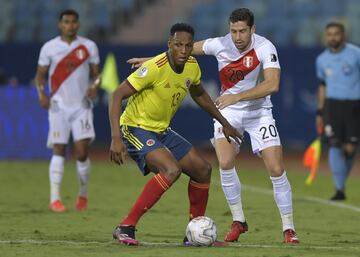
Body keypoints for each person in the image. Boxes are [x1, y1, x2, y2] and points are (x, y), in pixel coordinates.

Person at [128, 8, 299, 244]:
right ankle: (238, 221)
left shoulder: (265, 47)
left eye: (242, 31)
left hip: (259, 112)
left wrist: (237, 97)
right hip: (228, 111)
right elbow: (181, 49)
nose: (237, 37)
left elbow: (272, 84)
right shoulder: (219, 44)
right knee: (225, 163)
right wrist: (150, 61)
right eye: (233, 31)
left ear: (253, 30)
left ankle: (288, 228)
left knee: (276, 168)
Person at [109, 23, 243, 246]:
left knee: (202, 170)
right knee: (171, 170)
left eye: (188, 45)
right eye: (178, 45)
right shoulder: (154, 67)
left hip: (161, 130)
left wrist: (224, 123)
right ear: (169, 44)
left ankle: (193, 235)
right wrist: (115, 138)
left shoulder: (192, 65)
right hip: (135, 127)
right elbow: (116, 95)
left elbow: (199, 93)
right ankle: (126, 226)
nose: (183, 50)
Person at [35, 9, 101, 212]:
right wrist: (42, 94)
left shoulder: (88, 46)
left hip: (81, 106)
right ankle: (55, 198)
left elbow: (97, 75)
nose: (70, 25)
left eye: (73, 22)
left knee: (81, 152)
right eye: (66, 22)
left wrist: (94, 86)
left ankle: (83, 194)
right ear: (60, 24)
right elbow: (40, 77)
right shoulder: (49, 48)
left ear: (78, 24)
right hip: (58, 107)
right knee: (59, 149)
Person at [315, 22, 360, 201]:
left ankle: (342, 183)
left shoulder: (356, 54)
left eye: (336, 34)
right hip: (332, 107)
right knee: (334, 144)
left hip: (355, 106)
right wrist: (320, 112)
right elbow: (322, 86)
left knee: (350, 148)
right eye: (330, 34)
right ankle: (339, 189)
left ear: (343, 35)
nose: (333, 37)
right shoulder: (321, 59)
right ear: (326, 36)